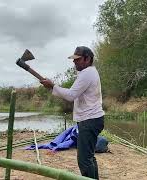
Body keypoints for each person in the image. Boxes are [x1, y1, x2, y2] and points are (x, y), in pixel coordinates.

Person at [40, 46, 104, 179]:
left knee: (84, 160)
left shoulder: (87, 73)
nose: (74, 62)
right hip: (92, 120)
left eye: (78, 59)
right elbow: (73, 93)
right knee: (89, 157)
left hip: (89, 120)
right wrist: (52, 87)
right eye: (74, 60)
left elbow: (71, 95)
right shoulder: (89, 73)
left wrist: (52, 86)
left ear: (87, 59)